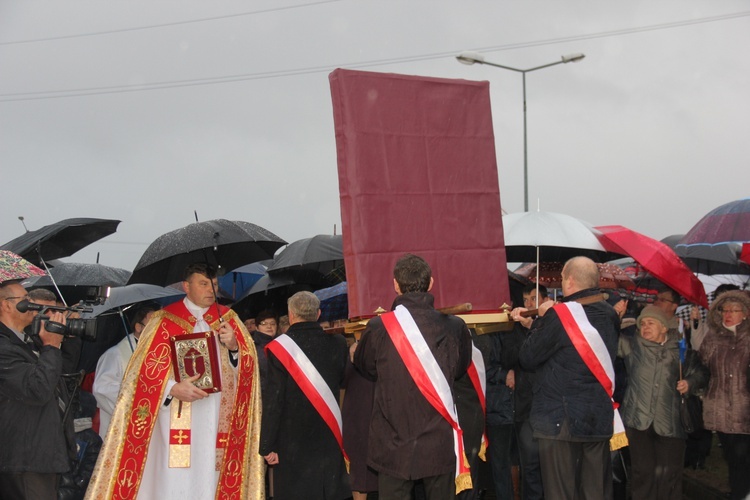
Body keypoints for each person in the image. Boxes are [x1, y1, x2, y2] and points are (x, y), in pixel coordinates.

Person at [85, 263, 264, 499]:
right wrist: (172, 389)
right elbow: (140, 375)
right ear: (186, 286)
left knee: (212, 477)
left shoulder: (230, 319)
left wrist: (234, 347)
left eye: (215, 284)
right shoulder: (164, 321)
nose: (211, 289)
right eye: (203, 283)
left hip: (216, 417)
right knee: (174, 481)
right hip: (175, 419)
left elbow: (249, 371)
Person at [353, 253, 473, 499]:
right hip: (438, 441)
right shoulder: (455, 327)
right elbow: (460, 369)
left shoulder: (378, 328)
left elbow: (365, 367)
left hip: (393, 441)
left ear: (396, 284)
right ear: (430, 283)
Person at [519, 256, 620, 500]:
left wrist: (540, 322)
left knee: (561, 492)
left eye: (563, 278)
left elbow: (528, 357)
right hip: (596, 417)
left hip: (559, 421)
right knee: (596, 491)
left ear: (570, 281)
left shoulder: (559, 316)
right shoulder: (609, 315)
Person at [260, 291, 351, 499]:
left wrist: (267, 444)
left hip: (292, 439)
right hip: (327, 433)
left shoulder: (279, 348)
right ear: (318, 314)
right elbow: (343, 380)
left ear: (291, 315)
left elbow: (275, 399)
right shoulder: (337, 343)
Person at [618, 305, 708, 500]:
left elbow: (701, 373)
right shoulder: (631, 346)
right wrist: (615, 316)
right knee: (642, 474)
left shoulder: (681, 350)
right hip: (638, 422)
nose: (645, 327)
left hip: (671, 422)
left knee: (669, 475)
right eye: (642, 323)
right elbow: (608, 338)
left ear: (664, 328)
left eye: (651, 323)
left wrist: (689, 383)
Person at [0, 280, 71, 499]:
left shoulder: (27, 341)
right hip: (24, 458)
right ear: (6, 305)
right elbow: (38, 390)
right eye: (25, 300)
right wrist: (51, 346)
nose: (31, 305)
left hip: (41, 453)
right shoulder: (4, 347)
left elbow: (60, 378)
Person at [698, 290, 750, 500]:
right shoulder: (713, 336)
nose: (727, 314)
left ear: (745, 313)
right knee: (734, 459)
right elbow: (702, 366)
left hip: (745, 410)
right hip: (719, 409)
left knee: (744, 459)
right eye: (724, 310)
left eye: (734, 310)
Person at [507, 284, 553, 500]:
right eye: (525, 299)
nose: (528, 304)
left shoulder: (552, 325)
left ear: (545, 300)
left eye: (534, 298)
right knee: (530, 468)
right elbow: (515, 358)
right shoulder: (516, 327)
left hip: (549, 409)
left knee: (551, 470)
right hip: (525, 407)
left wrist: (532, 327)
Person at [92, 303, 159, 439]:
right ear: (138, 327)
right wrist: (135, 392)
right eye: (152, 325)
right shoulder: (115, 354)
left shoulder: (160, 354)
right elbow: (102, 388)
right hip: (121, 425)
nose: (157, 330)